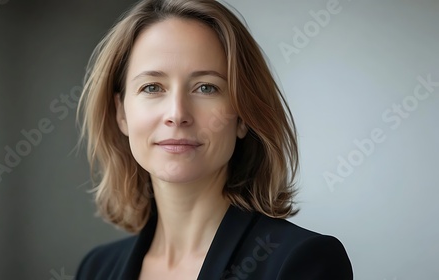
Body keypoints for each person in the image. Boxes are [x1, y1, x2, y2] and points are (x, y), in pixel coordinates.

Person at [75, 0, 353, 279]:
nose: (177, 114)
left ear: (243, 115)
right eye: (152, 87)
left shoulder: (303, 262)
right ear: (121, 113)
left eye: (206, 87)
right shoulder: (95, 270)